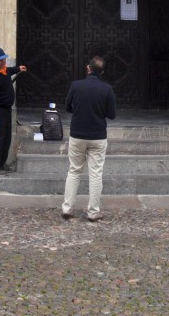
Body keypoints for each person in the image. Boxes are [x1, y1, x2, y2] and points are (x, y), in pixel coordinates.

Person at [61, 55, 116, 222]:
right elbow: (111, 115)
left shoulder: (76, 86)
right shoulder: (107, 89)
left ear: (88, 68)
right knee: (96, 173)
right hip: (98, 136)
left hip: (77, 134)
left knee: (74, 171)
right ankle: (93, 211)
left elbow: (67, 107)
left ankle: (67, 208)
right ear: (102, 72)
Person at [0, 47, 27, 175]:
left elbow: (9, 71)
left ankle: (2, 164)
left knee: (6, 138)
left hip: (6, 111)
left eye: (3, 59)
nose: (3, 62)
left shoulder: (3, 70)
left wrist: (18, 68)